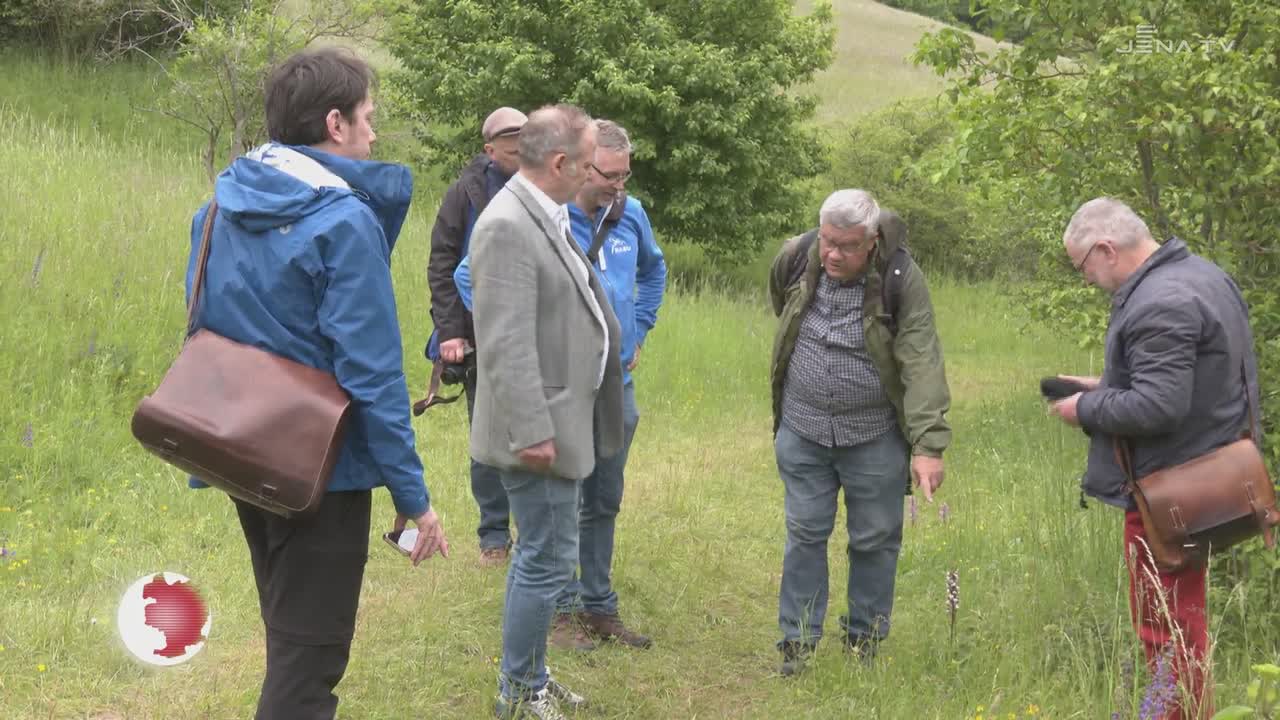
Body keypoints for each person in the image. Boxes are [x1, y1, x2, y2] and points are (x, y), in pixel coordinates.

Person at [183, 47, 449, 719]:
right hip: (319, 471)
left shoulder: (218, 207)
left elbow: (206, 321)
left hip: (239, 448)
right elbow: (373, 374)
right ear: (335, 123)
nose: (373, 134)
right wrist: (412, 496)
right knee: (310, 665)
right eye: (368, 118)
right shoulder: (343, 221)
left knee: (290, 635)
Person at [454, 120, 667, 651]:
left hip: (613, 383)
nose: (618, 185)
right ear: (577, 166)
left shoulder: (631, 214)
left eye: (625, 174)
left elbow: (653, 271)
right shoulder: (541, 216)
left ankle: (599, 605)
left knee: (604, 498)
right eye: (607, 174)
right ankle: (563, 611)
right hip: (564, 390)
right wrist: (538, 345)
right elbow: (470, 279)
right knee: (560, 506)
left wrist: (636, 330)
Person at [1049, 197, 1262, 720]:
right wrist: (1107, 385)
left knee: (1165, 629)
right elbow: (1197, 381)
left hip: (1169, 492)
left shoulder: (1157, 301)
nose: (1086, 279)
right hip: (1212, 478)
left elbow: (1159, 406)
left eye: (1082, 266)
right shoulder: (1204, 276)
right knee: (1181, 620)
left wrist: (1084, 408)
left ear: (1106, 249)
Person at [467, 104, 625, 720]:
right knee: (546, 561)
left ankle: (530, 674)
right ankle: (518, 692)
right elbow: (504, 341)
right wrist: (532, 429)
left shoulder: (543, 211)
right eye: (587, 164)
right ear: (560, 163)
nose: (593, 175)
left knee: (539, 554)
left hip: (559, 420)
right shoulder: (508, 224)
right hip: (536, 431)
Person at [767, 188, 951, 676]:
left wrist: (928, 445)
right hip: (803, 428)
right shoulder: (796, 256)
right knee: (805, 533)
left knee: (875, 539)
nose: (832, 254)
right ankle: (797, 644)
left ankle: (863, 644)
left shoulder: (899, 277)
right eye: (827, 241)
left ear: (871, 241)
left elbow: (921, 359)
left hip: (874, 436)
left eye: (846, 246)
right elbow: (782, 309)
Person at [427, 105, 527, 567]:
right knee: (486, 437)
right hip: (478, 334)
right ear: (490, 150)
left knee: (532, 434)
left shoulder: (543, 187)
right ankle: (493, 536)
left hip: (533, 336)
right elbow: (443, 264)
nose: (522, 152)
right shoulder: (463, 194)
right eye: (512, 146)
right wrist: (450, 331)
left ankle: (534, 529)